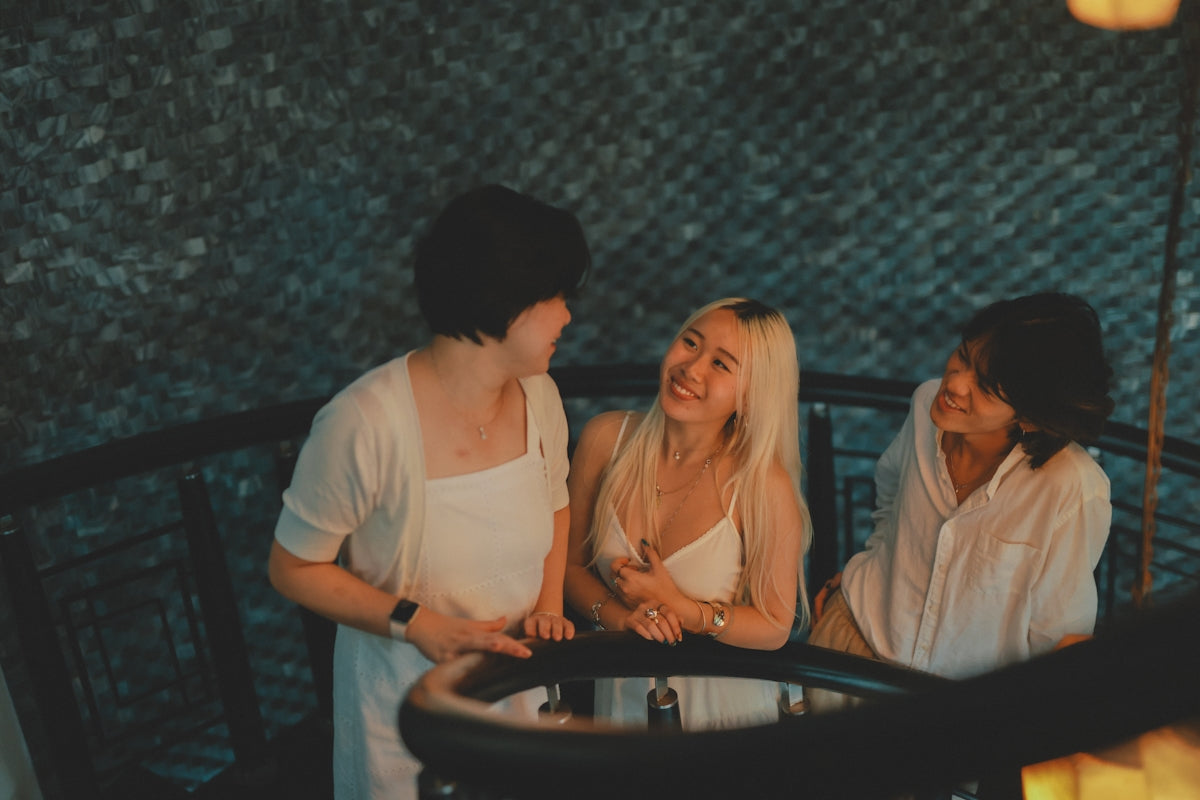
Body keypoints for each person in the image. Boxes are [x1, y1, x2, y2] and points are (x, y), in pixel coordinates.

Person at [268, 184, 589, 800]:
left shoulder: (539, 395)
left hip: (518, 693)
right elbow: (292, 568)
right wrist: (416, 624)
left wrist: (549, 606)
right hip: (403, 710)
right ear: (507, 300)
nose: (567, 316)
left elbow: (557, 502)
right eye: (558, 296)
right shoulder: (364, 422)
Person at [809, 292, 1115, 694]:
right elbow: (890, 494)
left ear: (1030, 415)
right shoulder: (925, 406)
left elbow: (1054, 638)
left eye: (985, 388)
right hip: (849, 647)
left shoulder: (1071, 487)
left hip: (960, 707)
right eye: (964, 356)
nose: (953, 384)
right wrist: (873, 562)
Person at [564, 297, 812, 730]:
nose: (691, 369)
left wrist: (682, 609)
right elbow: (568, 568)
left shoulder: (761, 484)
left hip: (724, 718)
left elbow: (774, 626)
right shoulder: (605, 439)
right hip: (620, 707)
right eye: (691, 343)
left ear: (752, 393)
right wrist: (622, 619)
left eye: (721, 364)